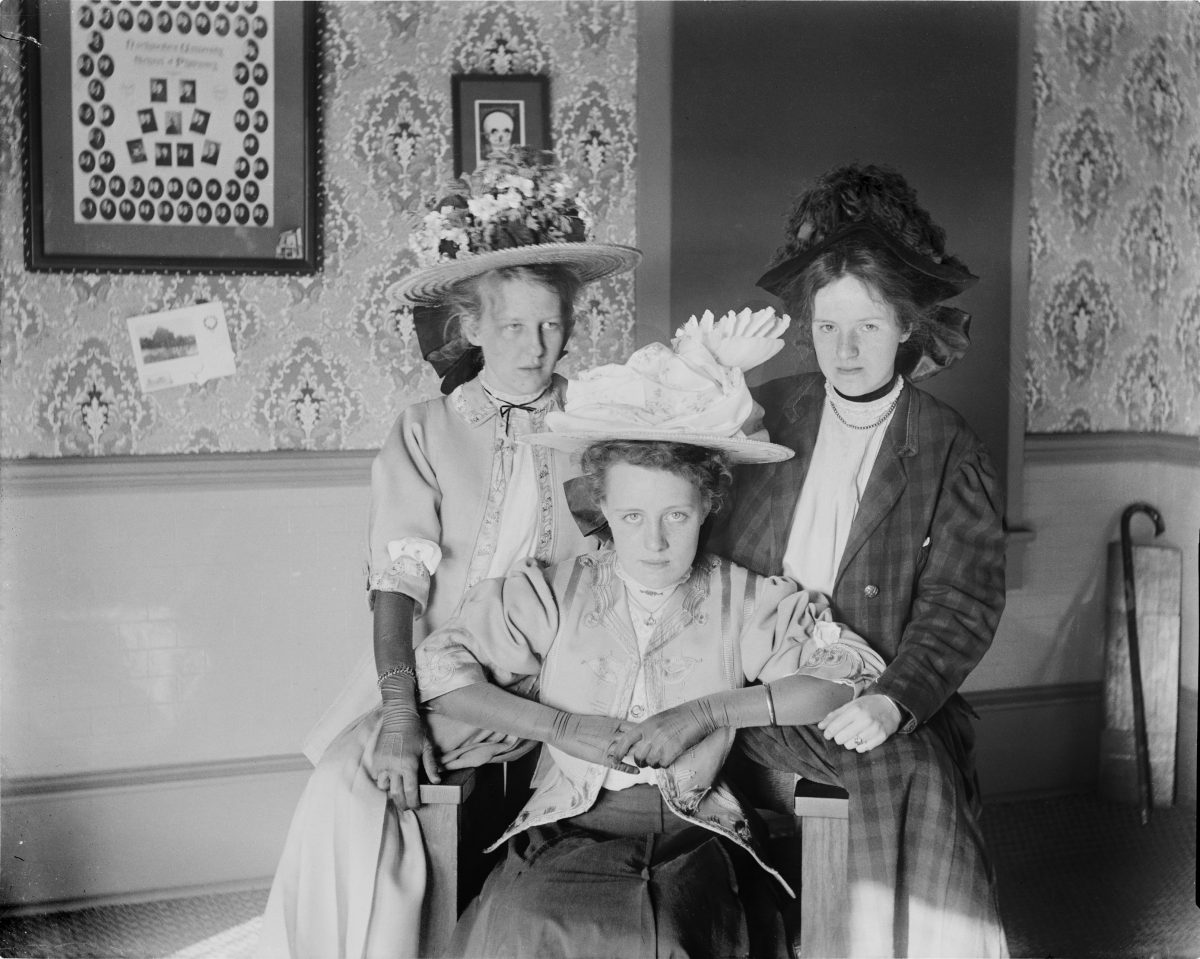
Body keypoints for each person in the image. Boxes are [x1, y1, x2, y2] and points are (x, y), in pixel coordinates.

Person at [256, 149, 640, 959]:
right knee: (347, 793)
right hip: (433, 671)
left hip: (565, 670)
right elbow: (396, 581)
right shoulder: (426, 429)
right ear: (471, 325)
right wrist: (399, 709)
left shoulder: (599, 427)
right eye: (511, 326)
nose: (534, 347)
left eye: (551, 325)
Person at [415, 312, 887, 958]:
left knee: (668, 934)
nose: (655, 540)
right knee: (528, 923)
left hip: (694, 840)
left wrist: (708, 711)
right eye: (632, 516)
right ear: (601, 508)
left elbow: (845, 675)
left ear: (708, 507)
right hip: (566, 831)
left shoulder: (741, 597)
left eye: (676, 516)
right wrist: (559, 728)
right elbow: (442, 673)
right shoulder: (555, 590)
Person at [709, 163, 1009, 957]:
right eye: (829, 325)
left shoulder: (947, 444)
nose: (845, 348)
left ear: (907, 326)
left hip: (879, 693)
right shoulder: (768, 414)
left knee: (913, 768)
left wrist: (895, 699)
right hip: (758, 683)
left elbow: (962, 599)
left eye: (869, 326)